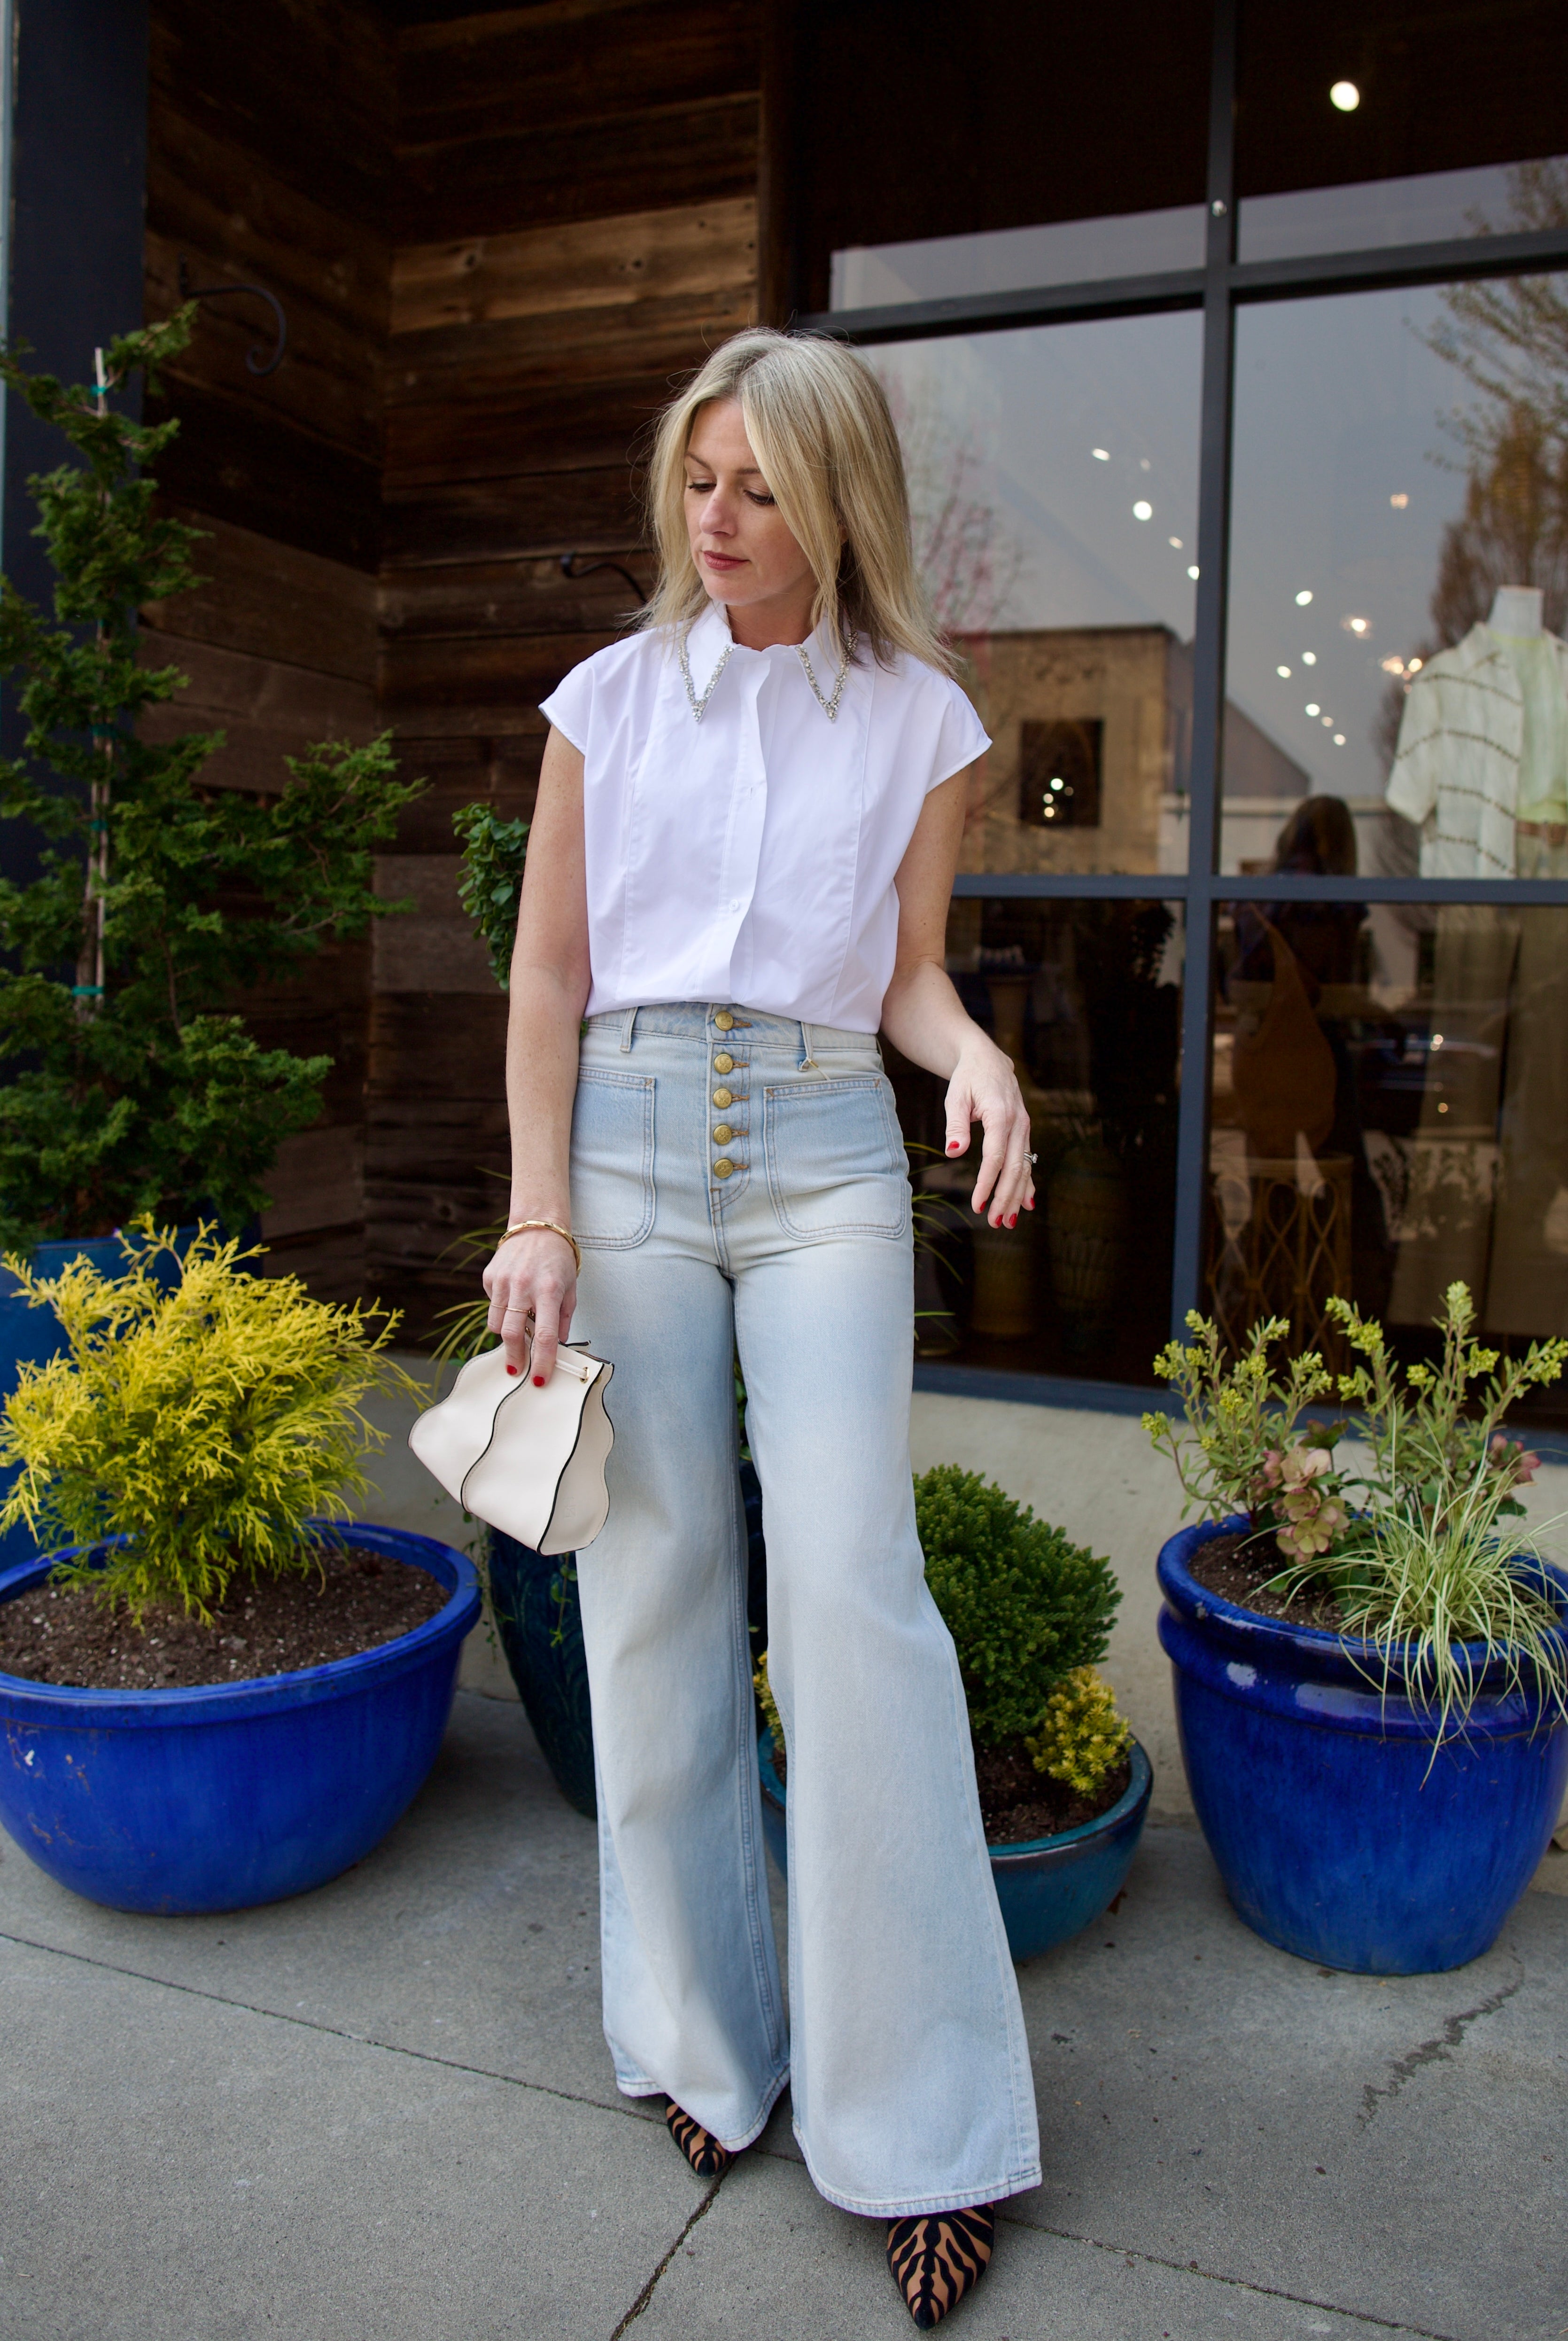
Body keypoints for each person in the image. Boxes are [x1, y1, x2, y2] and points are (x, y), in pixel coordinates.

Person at [482, 328, 1041, 2329]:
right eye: (695, 480)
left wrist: (972, 1054)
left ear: (834, 501)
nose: (714, 520)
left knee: (856, 1597)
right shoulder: (605, 703)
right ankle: (708, 2048)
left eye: (756, 486)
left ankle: (925, 2128)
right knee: (651, 1590)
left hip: (820, 1154)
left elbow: (902, 979)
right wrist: (536, 1209)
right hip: (621, 1145)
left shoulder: (920, 723)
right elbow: (547, 979)